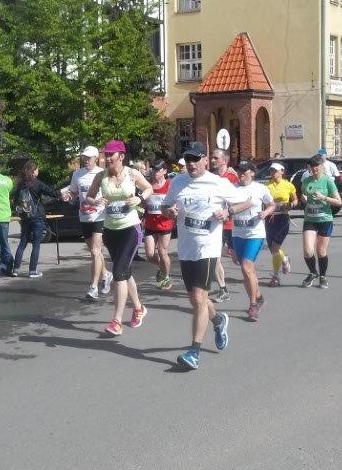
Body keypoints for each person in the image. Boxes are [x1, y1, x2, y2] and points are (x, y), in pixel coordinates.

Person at [161, 142, 251, 369]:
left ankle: (194, 352)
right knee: (195, 298)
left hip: (208, 248)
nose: (191, 163)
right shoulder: (178, 182)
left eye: (196, 159)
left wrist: (228, 211)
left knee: (200, 298)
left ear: (205, 160)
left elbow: (246, 201)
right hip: (186, 248)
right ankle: (218, 320)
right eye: (188, 159)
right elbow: (165, 206)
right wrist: (169, 211)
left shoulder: (218, 182)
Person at [85, 140, 152, 335]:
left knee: (118, 272)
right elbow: (89, 196)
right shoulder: (101, 176)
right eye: (106, 154)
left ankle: (116, 321)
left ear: (121, 156)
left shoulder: (132, 174)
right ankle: (139, 308)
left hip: (130, 229)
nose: (107, 158)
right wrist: (96, 200)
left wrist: (140, 198)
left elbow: (149, 188)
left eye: (111, 155)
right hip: (110, 231)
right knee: (125, 272)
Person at [62, 146, 112, 300]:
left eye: (89, 158)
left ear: (96, 158)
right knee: (94, 252)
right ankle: (106, 274)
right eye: (84, 157)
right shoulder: (77, 174)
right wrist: (68, 196)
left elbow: (111, 194)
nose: (86, 160)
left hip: (99, 216)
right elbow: (74, 192)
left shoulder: (103, 173)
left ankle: (93, 287)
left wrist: (103, 201)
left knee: (96, 251)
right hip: (84, 217)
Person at [230, 161, 274, 320]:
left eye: (244, 170)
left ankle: (253, 305)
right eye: (239, 170)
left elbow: (271, 205)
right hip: (237, 234)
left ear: (252, 172)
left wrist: (265, 213)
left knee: (246, 266)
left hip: (255, 233)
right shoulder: (231, 189)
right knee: (246, 271)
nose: (241, 173)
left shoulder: (260, 188)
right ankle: (259, 298)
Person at [12, 160, 62, 278]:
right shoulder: (37, 184)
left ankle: (15, 269)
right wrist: (62, 193)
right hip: (37, 216)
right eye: (37, 169)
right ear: (34, 171)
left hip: (25, 217)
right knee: (36, 243)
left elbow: (15, 200)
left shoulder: (20, 184)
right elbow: (52, 193)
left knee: (23, 242)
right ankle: (32, 270)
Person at [299, 154, 342, 288]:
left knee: (321, 251)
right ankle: (313, 272)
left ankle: (322, 277)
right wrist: (304, 199)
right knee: (308, 251)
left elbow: (338, 202)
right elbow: (304, 196)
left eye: (317, 166)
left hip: (325, 219)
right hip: (310, 219)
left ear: (322, 166)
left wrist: (324, 197)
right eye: (312, 166)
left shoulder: (328, 181)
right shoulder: (306, 181)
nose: (314, 168)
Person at [209, 148, 239, 303]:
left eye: (216, 158)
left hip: (232, 225)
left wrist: (229, 211)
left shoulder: (233, 177)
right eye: (211, 158)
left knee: (238, 260)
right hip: (216, 225)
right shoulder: (211, 178)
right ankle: (223, 289)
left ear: (224, 160)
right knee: (215, 258)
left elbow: (239, 200)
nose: (212, 160)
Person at [264, 162, 297, 287]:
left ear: (282, 171)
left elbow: (295, 200)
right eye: (271, 171)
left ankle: (275, 276)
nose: (273, 173)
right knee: (273, 249)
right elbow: (263, 201)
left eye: (275, 170)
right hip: (270, 219)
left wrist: (291, 205)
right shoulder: (266, 185)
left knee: (275, 247)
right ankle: (284, 259)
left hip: (283, 219)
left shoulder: (288, 185)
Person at [142, 160, 174, 290]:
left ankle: (166, 277)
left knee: (162, 251)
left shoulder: (169, 185)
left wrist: (173, 209)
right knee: (150, 254)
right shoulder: (148, 185)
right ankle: (163, 267)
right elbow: (144, 203)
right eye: (154, 169)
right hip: (150, 223)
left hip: (164, 223)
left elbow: (175, 202)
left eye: (158, 170)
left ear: (165, 171)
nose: (155, 172)